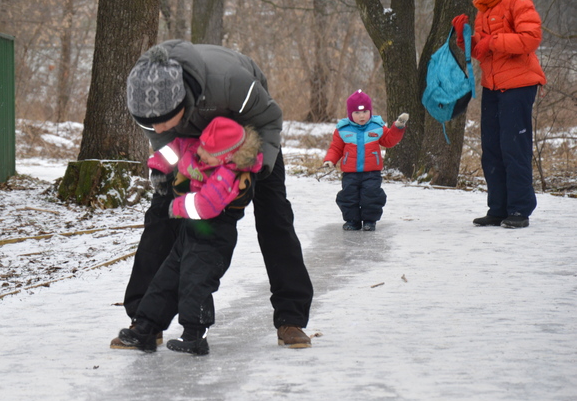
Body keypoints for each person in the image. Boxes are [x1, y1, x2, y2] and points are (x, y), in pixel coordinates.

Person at [111, 41, 314, 350]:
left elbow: (268, 119)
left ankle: (291, 317)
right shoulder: (148, 93)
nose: (155, 127)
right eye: (147, 122)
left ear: (183, 100)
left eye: (162, 120)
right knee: (161, 216)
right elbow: (164, 138)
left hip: (249, 133)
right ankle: (144, 320)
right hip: (191, 144)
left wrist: (259, 169)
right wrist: (167, 172)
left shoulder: (232, 81)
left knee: (275, 217)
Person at [118, 117, 263, 355]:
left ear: (226, 156)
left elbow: (207, 206)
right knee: (165, 279)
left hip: (214, 235)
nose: (201, 154)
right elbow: (176, 148)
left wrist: (176, 207)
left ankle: (195, 335)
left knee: (195, 283)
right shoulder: (200, 148)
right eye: (202, 147)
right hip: (190, 231)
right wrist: (158, 166)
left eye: (207, 152)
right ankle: (145, 329)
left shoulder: (229, 174)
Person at [452, 0, 546, 229]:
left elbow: (530, 38)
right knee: (491, 148)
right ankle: (498, 208)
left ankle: (519, 209)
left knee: (513, 146)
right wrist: (464, 37)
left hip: (519, 84)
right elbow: (481, 51)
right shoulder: (484, 5)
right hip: (492, 84)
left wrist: (492, 41)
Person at [322, 90, 408, 231]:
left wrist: (397, 127)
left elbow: (389, 141)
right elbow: (335, 148)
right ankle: (352, 221)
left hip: (371, 172)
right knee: (349, 197)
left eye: (365, 112)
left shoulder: (377, 126)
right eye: (357, 113)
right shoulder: (342, 129)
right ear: (350, 113)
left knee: (371, 196)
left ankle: (370, 221)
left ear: (370, 111)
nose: (361, 116)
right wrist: (330, 160)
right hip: (350, 173)